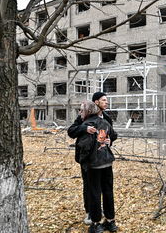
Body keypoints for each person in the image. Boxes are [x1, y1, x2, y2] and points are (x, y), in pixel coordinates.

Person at [67, 92, 116, 229]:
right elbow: (71, 131)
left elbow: (111, 134)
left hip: (98, 158)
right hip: (90, 159)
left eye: (107, 100)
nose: (106, 102)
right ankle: (91, 212)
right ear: (96, 102)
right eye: (104, 100)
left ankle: (98, 220)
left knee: (99, 189)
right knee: (89, 187)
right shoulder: (84, 117)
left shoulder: (106, 118)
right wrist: (84, 128)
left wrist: (109, 141)